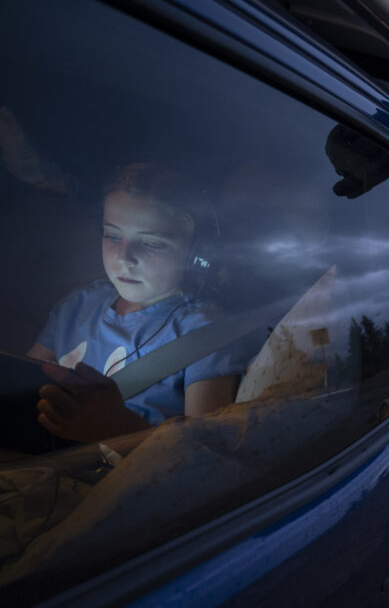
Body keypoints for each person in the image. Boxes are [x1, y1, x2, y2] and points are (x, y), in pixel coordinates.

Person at [26, 163, 240, 443]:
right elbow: (20, 389)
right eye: (113, 236)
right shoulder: (78, 305)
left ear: (195, 253)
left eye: (151, 243)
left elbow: (204, 453)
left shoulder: (203, 333)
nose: (124, 258)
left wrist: (118, 426)